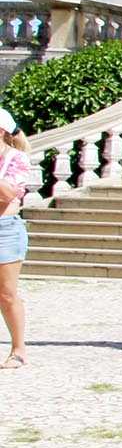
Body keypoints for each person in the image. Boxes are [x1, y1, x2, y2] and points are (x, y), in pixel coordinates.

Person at [0, 107, 32, 368]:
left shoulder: (17, 159)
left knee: (6, 294)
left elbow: (9, 193)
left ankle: (18, 350)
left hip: (5, 230)